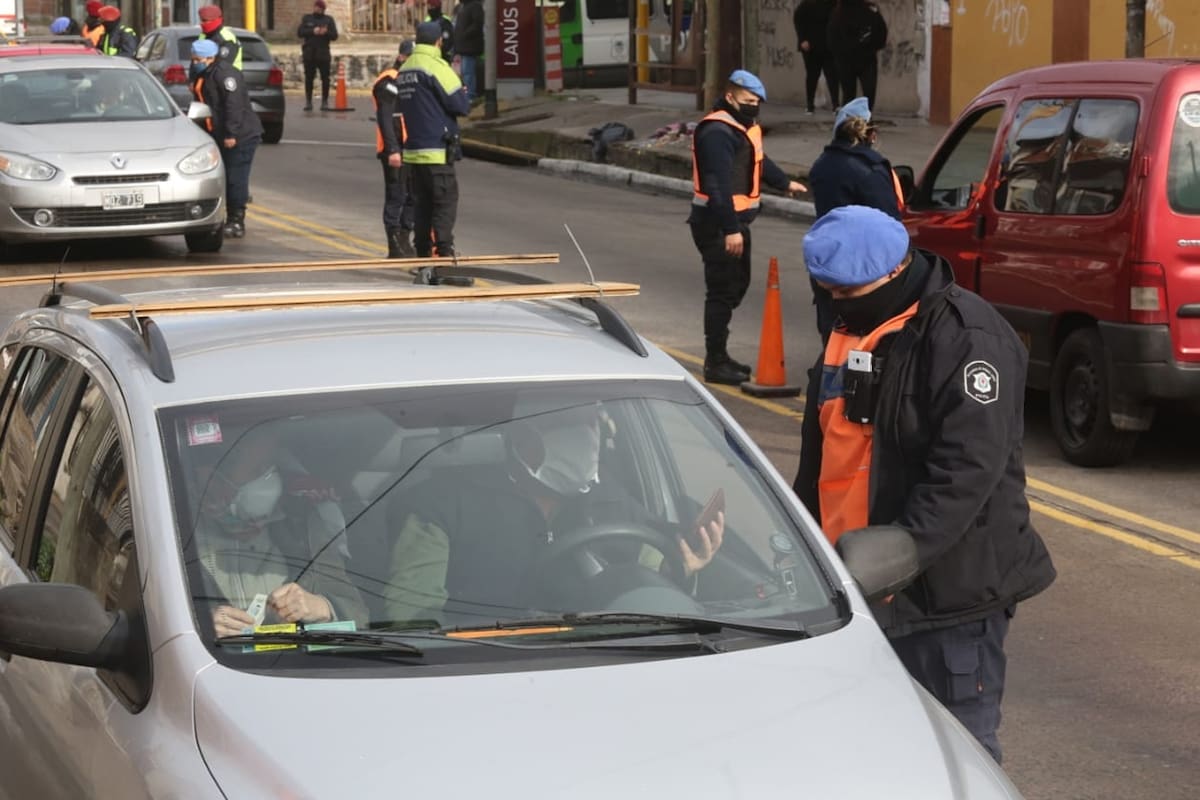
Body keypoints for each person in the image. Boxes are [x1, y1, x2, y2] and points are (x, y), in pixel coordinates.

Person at [791, 205, 1057, 764]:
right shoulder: (849, 330)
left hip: (942, 598)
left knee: (956, 755)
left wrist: (896, 560)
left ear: (894, 273)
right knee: (874, 754)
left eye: (848, 291)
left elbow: (964, 474)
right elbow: (823, 456)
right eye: (828, 292)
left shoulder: (967, 339)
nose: (837, 304)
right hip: (854, 587)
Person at [382, 406, 725, 625]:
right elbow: (412, 619)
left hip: (603, 656)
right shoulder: (439, 505)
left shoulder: (612, 499)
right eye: (566, 423)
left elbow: (648, 578)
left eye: (591, 422)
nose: (586, 437)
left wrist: (682, 564)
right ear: (521, 438)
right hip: (483, 664)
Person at [688, 69, 807, 385]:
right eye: (748, 100)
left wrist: (783, 183)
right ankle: (715, 361)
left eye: (757, 102)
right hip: (717, 224)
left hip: (735, 222)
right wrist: (730, 229)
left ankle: (721, 355)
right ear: (730, 97)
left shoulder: (742, 126)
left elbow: (757, 160)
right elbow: (716, 185)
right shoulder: (717, 132)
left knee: (736, 286)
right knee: (721, 291)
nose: (754, 106)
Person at [191, 424, 366, 639]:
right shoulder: (175, 536)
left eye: (271, 467)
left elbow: (360, 617)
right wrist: (198, 625)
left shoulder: (303, 525)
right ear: (214, 479)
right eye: (257, 470)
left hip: (298, 666)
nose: (270, 479)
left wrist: (322, 608)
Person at [806, 96, 902, 340]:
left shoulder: (821, 165)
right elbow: (889, 223)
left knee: (832, 331)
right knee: (863, 337)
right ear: (871, 134)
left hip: (828, 260)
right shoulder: (869, 169)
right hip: (864, 267)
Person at [396, 21, 470, 258]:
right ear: (439, 41)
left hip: (414, 152)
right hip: (437, 150)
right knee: (445, 204)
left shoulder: (405, 69)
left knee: (422, 206)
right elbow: (460, 105)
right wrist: (461, 92)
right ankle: (444, 256)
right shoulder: (436, 66)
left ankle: (423, 257)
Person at [190, 38, 264, 239]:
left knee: (235, 179)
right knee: (222, 178)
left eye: (197, 59)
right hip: (219, 134)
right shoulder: (205, 74)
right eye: (193, 58)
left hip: (240, 135)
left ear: (209, 58)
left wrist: (231, 134)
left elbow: (233, 105)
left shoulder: (224, 75)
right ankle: (221, 217)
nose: (194, 62)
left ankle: (236, 221)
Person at [373, 39, 417, 258]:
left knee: (413, 195)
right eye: (410, 56)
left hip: (412, 148)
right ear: (401, 57)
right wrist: (392, 149)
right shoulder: (388, 81)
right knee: (396, 196)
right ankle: (394, 243)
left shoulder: (412, 80)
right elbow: (385, 117)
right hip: (394, 149)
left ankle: (404, 235)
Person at [827, 0, 886, 112]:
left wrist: (871, 46)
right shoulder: (838, 13)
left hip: (860, 60)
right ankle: (855, 123)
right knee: (856, 95)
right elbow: (832, 38)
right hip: (851, 60)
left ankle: (859, 122)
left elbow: (881, 32)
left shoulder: (869, 11)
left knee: (859, 95)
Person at [793, 0, 838, 115]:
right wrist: (802, 39)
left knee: (832, 76)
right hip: (811, 46)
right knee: (812, 76)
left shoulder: (833, 4)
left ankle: (836, 105)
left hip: (828, 46)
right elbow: (798, 20)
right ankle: (810, 105)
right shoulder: (807, 4)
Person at [297, 0, 339, 111]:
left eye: (320, 8)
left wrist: (326, 32)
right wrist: (312, 31)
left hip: (323, 54)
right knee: (309, 78)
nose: (318, 9)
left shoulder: (328, 20)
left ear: (323, 9)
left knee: (325, 79)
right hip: (309, 54)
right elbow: (300, 32)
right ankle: (308, 102)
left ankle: (324, 102)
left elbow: (334, 36)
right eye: (316, 7)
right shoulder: (307, 18)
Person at [452, 0, 484, 101]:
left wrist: (465, 34)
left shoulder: (474, 6)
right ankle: (469, 95)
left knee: (468, 73)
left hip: (469, 46)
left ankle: (471, 96)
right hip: (464, 46)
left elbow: (477, 24)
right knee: (465, 73)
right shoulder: (464, 7)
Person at [198, 5, 242, 72]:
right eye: (201, 20)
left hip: (227, 78)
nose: (201, 23)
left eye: (205, 20)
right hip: (206, 78)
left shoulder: (227, 39)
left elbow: (222, 66)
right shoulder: (203, 36)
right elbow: (195, 60)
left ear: (215, 20)